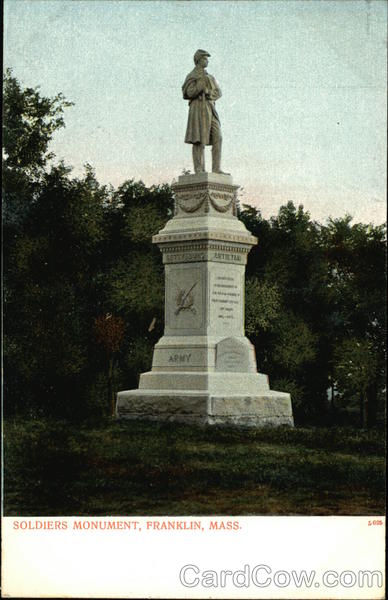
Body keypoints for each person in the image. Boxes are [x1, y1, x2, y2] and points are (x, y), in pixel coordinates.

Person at [182, 49, 227, 174]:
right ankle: (199, 168)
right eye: (204, 58)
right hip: (198, 107)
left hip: (210, 107)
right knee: (199, 138)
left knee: (218, 136)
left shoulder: (210, 77)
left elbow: (219, 92)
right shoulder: (192, 75)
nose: (207, 60)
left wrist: (209, 94)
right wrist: (200, 86)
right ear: (198, 60)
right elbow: (188, 93)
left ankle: (216, 168)